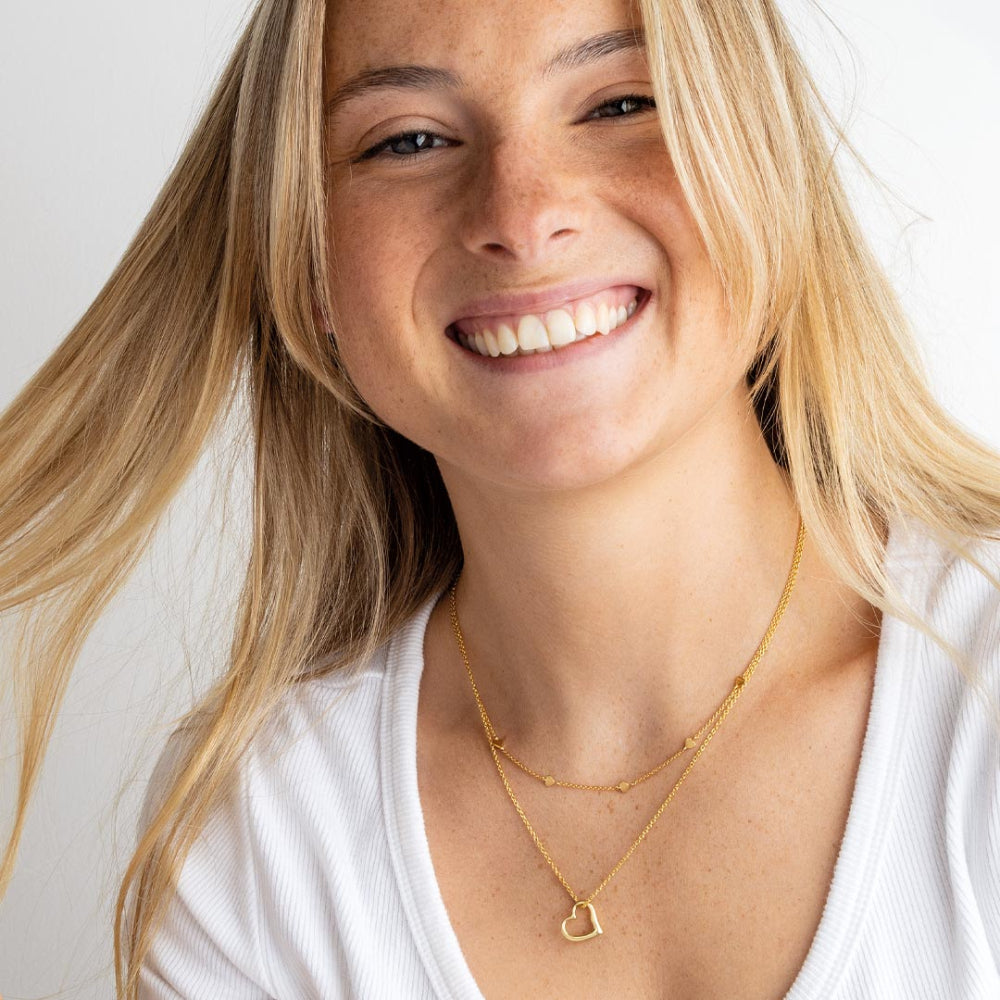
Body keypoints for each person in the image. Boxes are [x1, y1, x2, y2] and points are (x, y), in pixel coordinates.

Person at [1, 0, 998, 996]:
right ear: (308, 267)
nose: (521, 218)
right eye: (410, 139)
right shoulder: (261, 836)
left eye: (619, 103)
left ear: (766, 166)